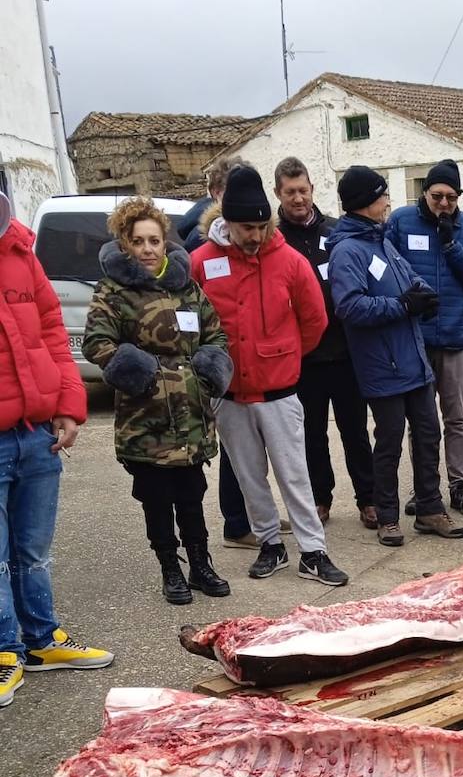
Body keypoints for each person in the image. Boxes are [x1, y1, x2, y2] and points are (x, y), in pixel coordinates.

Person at [191, 164, 349, 585]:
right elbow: (189, 320)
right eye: (247, 227)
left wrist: (286, 357)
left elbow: (314, 319)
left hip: (279, 389)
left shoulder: (290, 262)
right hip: (230, 394)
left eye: (262, 226)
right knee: (248, 476)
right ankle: (270, 545)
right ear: (227, 222)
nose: (255, 235)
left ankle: (313, 551)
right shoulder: (201, 263)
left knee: (294, 472)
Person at [82, 197, 233, 605]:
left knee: (191, 492)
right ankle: (170, 567)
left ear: (165, 243)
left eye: (155, 240)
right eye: (139, 241)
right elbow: (97, 343)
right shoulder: (113, 291)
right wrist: (139, 371)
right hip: (145, 418)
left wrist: (210, 369)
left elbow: (215, 334)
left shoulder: (187, 286)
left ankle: (200, 564)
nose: (148, 249)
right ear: (125, 244)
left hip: (191, 414)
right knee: (156, 497)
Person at [0, 190, 112, 707]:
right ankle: (5, 652)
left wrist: (69, 404)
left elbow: (51, 333)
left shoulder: (21, 251)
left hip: (37, 431)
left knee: (33, 550)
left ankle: (42, 641)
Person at [328, 165, 463, 547]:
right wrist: (404, 305)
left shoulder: (380, 240)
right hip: (382, 365)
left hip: (413, 360)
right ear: (364, 203)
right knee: (388, 443)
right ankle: (387, 515)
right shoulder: (347, 251)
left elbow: (406, 277)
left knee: (428, 435)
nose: (388, 201)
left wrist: (423, 296)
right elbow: (350, 307)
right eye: (381, 196)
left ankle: (429, 508)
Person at [273, 155, 377, 530]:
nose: (298, 199)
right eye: (290, 193)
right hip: (303, 358)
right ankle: (320, 499)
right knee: (311, 435)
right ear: (278, 194)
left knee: (355, 431)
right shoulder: (274, 240)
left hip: (346, 352)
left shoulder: (337, 232)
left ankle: (368, 499)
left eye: (303, 190)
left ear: (312, 190)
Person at [384, 159, 463, 518]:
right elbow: (388, 266)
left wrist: (451, 245)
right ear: (424, 193)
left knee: (457, 418)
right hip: (416, 337)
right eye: (437, 196)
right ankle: (424, 487)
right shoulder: (401, 221)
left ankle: (460, 486)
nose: (444, 204)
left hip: (455, 337)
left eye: (451, 197)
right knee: (421, 420)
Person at [185, 155, 266, 549]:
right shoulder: (198, 247)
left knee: (251, 452)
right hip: (217, 368)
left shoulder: (252, 241)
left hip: (254, 365)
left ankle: (255, 517)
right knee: (233, 453)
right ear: (218, 194)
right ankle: (236, 523)